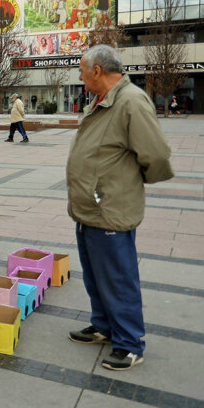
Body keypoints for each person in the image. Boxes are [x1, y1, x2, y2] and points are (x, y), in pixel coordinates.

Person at [66, 45, 174, 371]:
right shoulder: (102, 101)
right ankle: (103, 326)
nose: (82, 79)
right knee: (96, 278)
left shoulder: (131, 101)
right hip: (91, 210)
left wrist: (125, 187)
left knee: (117, 279)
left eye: (83, 73)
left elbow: (156, 155)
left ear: (98, 71)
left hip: (110, 211)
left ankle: (129, 343)